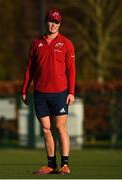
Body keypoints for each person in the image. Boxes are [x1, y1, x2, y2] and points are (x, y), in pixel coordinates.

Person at [22, 8, 76, 175]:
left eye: (56, 22)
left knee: (60, 127)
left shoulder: (66, 43)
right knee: (46, 129)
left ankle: (65, 164)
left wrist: (71, 92)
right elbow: (30, 69)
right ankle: (51, 165)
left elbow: (71, 69)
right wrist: (24, 89)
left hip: (60, 93)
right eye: (51, 21)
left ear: (60, 24)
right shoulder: (36, 43)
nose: (53, 25)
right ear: (46, 22)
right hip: (40, 93)